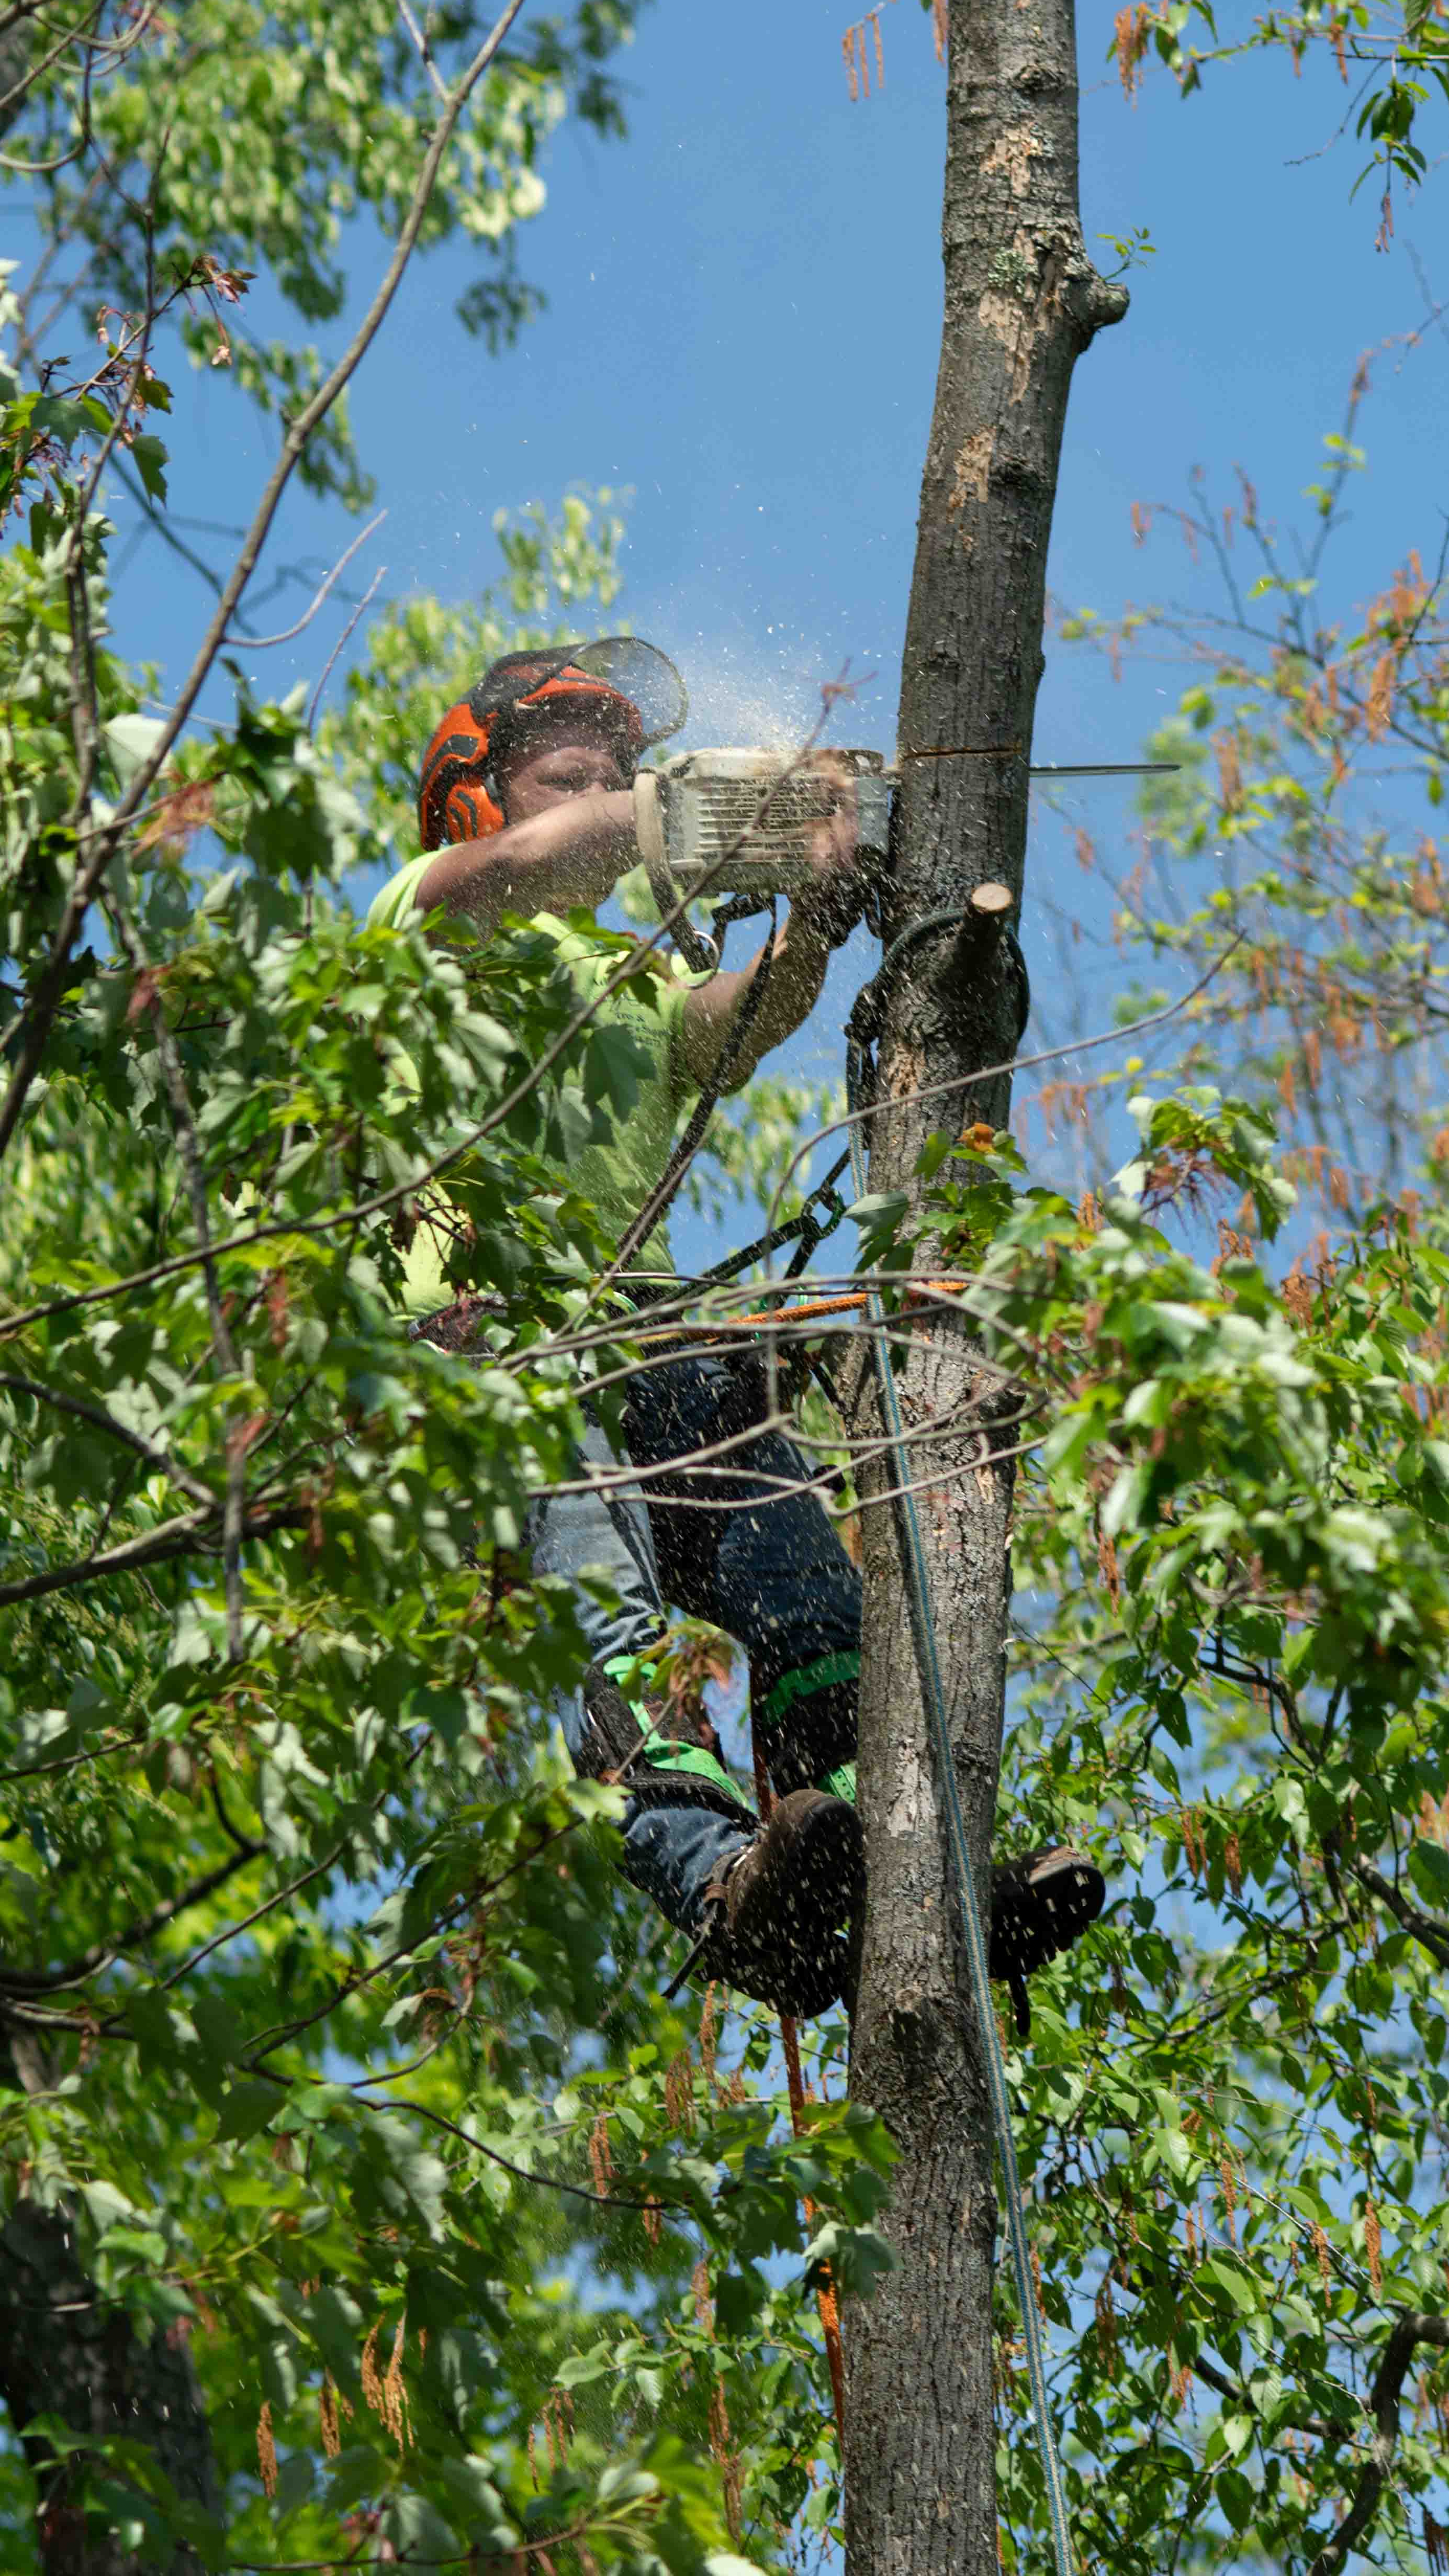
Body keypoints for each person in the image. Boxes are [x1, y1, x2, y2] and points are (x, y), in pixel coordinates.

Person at [373, 642, 1104, 2022]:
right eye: (568, 779)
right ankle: (725, 1885)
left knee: (818, 1599)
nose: (604, 795)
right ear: (477, 797)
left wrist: (813, 924)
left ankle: (893, 1872)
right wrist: (679, 816)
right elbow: (504, 878)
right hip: (503, 1356)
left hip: (649, 1342)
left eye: (619, 774)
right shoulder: (427, 925)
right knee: (621, 1628)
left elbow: (728, 1028)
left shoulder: (627, 974)